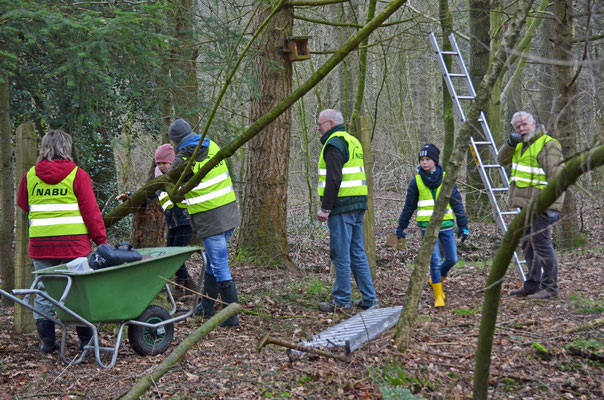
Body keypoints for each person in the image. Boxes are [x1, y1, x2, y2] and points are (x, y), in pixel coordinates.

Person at [17, 129, 107, 354]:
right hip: (73, 246)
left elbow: (23, 204)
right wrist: (101, 241)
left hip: (41, 246)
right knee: (77, 291)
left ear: (44, 148)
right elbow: (91, 212)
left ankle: (48, 343)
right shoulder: (78, 175)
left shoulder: (29, 176)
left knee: (44, 292)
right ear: (66, 148)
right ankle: (86, 342)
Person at [168, 118, 241, 326]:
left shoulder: (183, 160)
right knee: (211, 261)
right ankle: (207, 307)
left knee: (219, 265)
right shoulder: (212, 145)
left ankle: (230, 315)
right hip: (229, 213)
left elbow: (172, 189)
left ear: (175, 141)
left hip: (210, 220)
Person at [315, 109, 378, 313]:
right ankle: (369, 299)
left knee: (340, 254)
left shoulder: (334, 144)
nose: (318, 128)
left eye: (320, 124)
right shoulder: (353, 141)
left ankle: (341, 301)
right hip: (358, 205)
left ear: (331, 123)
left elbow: (334, 179)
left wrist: (326, 207)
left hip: (342, 207)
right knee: (357, 253)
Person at [498, 111, 564, 299]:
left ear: (533, 123)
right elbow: (501, 160)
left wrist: (553, 207)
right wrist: (510, 143)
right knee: (528, 246)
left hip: (542, 206)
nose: (521, 128)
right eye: (517, 126)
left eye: (524, 124)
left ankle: (550, 288)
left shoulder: (548, 145)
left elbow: (557, 179)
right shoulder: (519, 145)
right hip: (524, 205)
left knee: (542, 245)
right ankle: (532, 285)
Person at [395, 143, 469, 308]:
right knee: (434, 260)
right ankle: (438, 295)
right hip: (426, 228)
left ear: (435, 160)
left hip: (446, 225)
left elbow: (456, 202)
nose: (424, 162)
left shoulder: (446, 178)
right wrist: (402, 226)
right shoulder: (417, 181)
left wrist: (463, 223)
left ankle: (437, 279)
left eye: (428, 159)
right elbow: (409, 206)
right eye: (422, 159)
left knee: (452, 259)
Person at [116, 144, 196, 295]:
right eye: (158, 163)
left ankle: (182, 287)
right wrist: (129, 196)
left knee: (175, 256)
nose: (161, 166)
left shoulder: (183, 175)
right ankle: (188, 286)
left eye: (164, 163)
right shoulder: (158, 178)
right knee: (171, 254)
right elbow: (147, 194)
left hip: (186, 220)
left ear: (173, 162)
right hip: (172, 223)